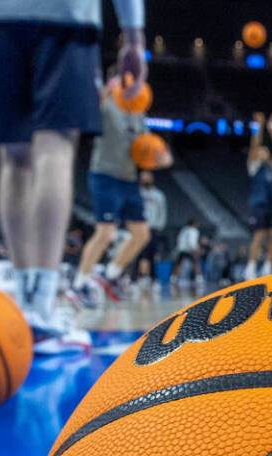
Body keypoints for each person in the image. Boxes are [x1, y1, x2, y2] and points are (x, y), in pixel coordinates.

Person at [0, 0, 146, 346]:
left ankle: (24, 306)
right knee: (54, 149)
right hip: (66, 17)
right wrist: (133, 35)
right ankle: (43, 309)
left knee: (14, 157)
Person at [74, 65, 169, 302]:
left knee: (142, 234)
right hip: (104, 175)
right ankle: (79, 283)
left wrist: (161, 156)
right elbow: (86, 115)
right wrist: (103, 93)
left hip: (128, 179)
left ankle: (110, 274)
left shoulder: (138, 112)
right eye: (122, 80)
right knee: (106, 233)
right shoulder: (105, 105)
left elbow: (147, 146)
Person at [244, 112, 272, 280]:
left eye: (265, 150)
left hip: (270, 206)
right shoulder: (254, 166)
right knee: (259, 235)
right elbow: (254, 145)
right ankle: (251, 268)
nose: (263, 151)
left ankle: (267, 266)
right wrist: (260, 126)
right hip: (257, 204)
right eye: (261, 150)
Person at [136, 170, 167, 287]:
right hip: (138, 228)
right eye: (143, 177)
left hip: (153, 228)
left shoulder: (158, 195)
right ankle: (137, 278)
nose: (145, 179)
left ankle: (153, 279)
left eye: (147, 177)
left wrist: (160, 225)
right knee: (139, 254)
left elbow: (162, 211)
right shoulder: (137, 193)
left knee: (152, 254)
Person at [173, 218, 202, 284]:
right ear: (194, 224)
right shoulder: (193, 230)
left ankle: (174, 278)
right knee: (196, 263)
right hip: (189, 250)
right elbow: (191, 241)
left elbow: (179, 239)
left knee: (178, 263)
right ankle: (199, 278)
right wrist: (196, 249)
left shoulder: (184, 229)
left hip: (181, 249)